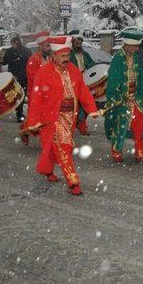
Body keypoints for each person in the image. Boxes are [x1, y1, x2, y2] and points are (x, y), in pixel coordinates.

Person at [25, 36, 100, 196]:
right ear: (53, 56)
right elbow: (36, 98)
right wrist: (33, 121)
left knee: (54, 148)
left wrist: (91, 108)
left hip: (70, 117)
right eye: (62, 56)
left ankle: (45, 169)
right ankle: (73, 181)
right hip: (52, 118)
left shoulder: (73, 69)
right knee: (64, 147)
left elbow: (82, 90)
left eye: (67, 56)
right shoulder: (43, 72)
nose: (66, 59)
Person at [104, 29, 143, 163]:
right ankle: (116, 151)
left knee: (140, 125)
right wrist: (120, 94)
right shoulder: (118, 59)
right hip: (121, 99)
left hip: (135, 98)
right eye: (134, 46)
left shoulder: (137, 57)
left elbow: (141, 76)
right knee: (120, 126)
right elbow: (113, 80)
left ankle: (140, 152)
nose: (136, 49)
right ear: (126, 45)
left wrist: (142, 93)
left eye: (137, 46)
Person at [20, 30, 51, 146]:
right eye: (47, 46)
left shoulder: (50, 58)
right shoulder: (33, 59)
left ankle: (47, 141)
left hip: (48, 94)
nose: (50, 48)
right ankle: (24, 130)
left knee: (46, 119)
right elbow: (34, 78)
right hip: (37, 94)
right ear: (40, 45)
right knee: (36, 120)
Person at [68, 30, 96, 136]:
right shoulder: (68, 54)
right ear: (72, 43)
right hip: (73, 83)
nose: (78, 45)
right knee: (74, 105)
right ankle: (75, 124)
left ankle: (82, 124)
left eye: (80, 43)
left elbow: (92, 66)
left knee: (85, 104)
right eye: (76, 43)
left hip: (85, 82)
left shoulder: (85, 54)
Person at [1, 35, 31, 122]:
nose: (12, 45)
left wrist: (2, 62)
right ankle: (19, 114)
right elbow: (5, 61)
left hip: (19, 77)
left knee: (19, 95)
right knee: (19, 95)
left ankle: (19, 113)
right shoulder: (24, 51)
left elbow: (5, 61)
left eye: (13, 43)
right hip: (18, 77)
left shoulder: (15, 51)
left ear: (16, 43)